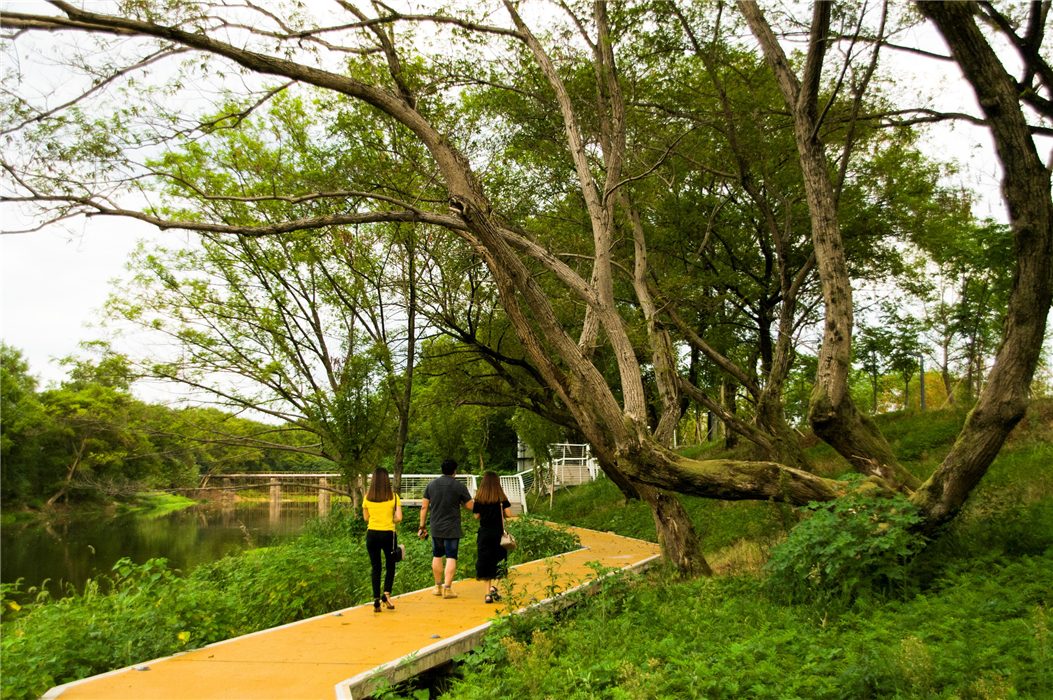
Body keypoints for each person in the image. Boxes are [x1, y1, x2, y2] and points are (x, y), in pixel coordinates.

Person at [418, 457, 473, 599]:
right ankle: (447, 589)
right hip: (452, 528)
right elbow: (470, 506)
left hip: (436, 526)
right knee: (451, 556)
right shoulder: (459, 486)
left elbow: (424, 507)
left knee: (437, 555)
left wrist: (422, 526)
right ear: (455, 471)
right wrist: (461, 503)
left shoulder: (431, 485)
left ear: (441, 470)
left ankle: (437, 586)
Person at [362, 467, 402, 613]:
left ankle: (376, 600)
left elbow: (366, 518)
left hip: (372, 534)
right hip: (388, 534)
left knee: (376, 567)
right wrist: (389, 519)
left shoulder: (367, 497)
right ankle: (386, 595)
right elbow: (399, 518)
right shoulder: (394, 497)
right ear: (387, 480)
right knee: (390, 565)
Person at [472, 471, 513, 603]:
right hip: (498, 535)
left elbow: (476, 516)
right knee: (500, 561)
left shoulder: (479, 498)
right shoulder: (501, 498)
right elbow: (509, 514)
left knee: (486, 562)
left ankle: (487, 595)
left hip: (484, 534)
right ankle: (494, 587)